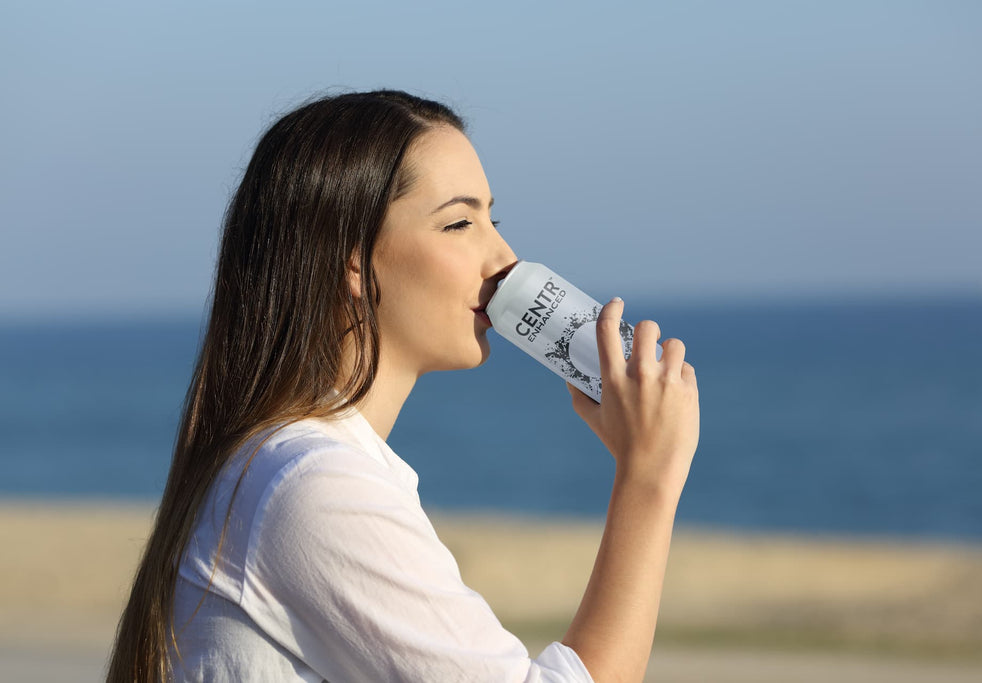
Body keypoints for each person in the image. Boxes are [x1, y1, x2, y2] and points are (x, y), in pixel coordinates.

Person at [107, 90, 699, 683]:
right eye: (460, 223)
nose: (504, 257)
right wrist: (648, 476)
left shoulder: (281, 467)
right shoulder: (314, 487)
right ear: (355, 262)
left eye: (493, 220)